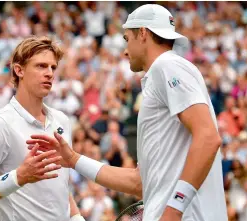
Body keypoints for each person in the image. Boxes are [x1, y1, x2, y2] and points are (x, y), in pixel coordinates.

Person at [28, 4, 227, 221]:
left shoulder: (167, 66)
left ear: (142, 33)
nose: (124, 50)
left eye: (126, 39)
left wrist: (173, 210)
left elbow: (208, 137)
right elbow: (138, 182)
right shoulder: (163, 74)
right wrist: (74, 159)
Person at [0, 36, 85, 221]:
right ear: (19, 70)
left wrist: (77, 218)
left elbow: (58, 187)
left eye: (53, 67)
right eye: (41, 66)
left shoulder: (62, 120)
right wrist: (19, 176)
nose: (50, 73)